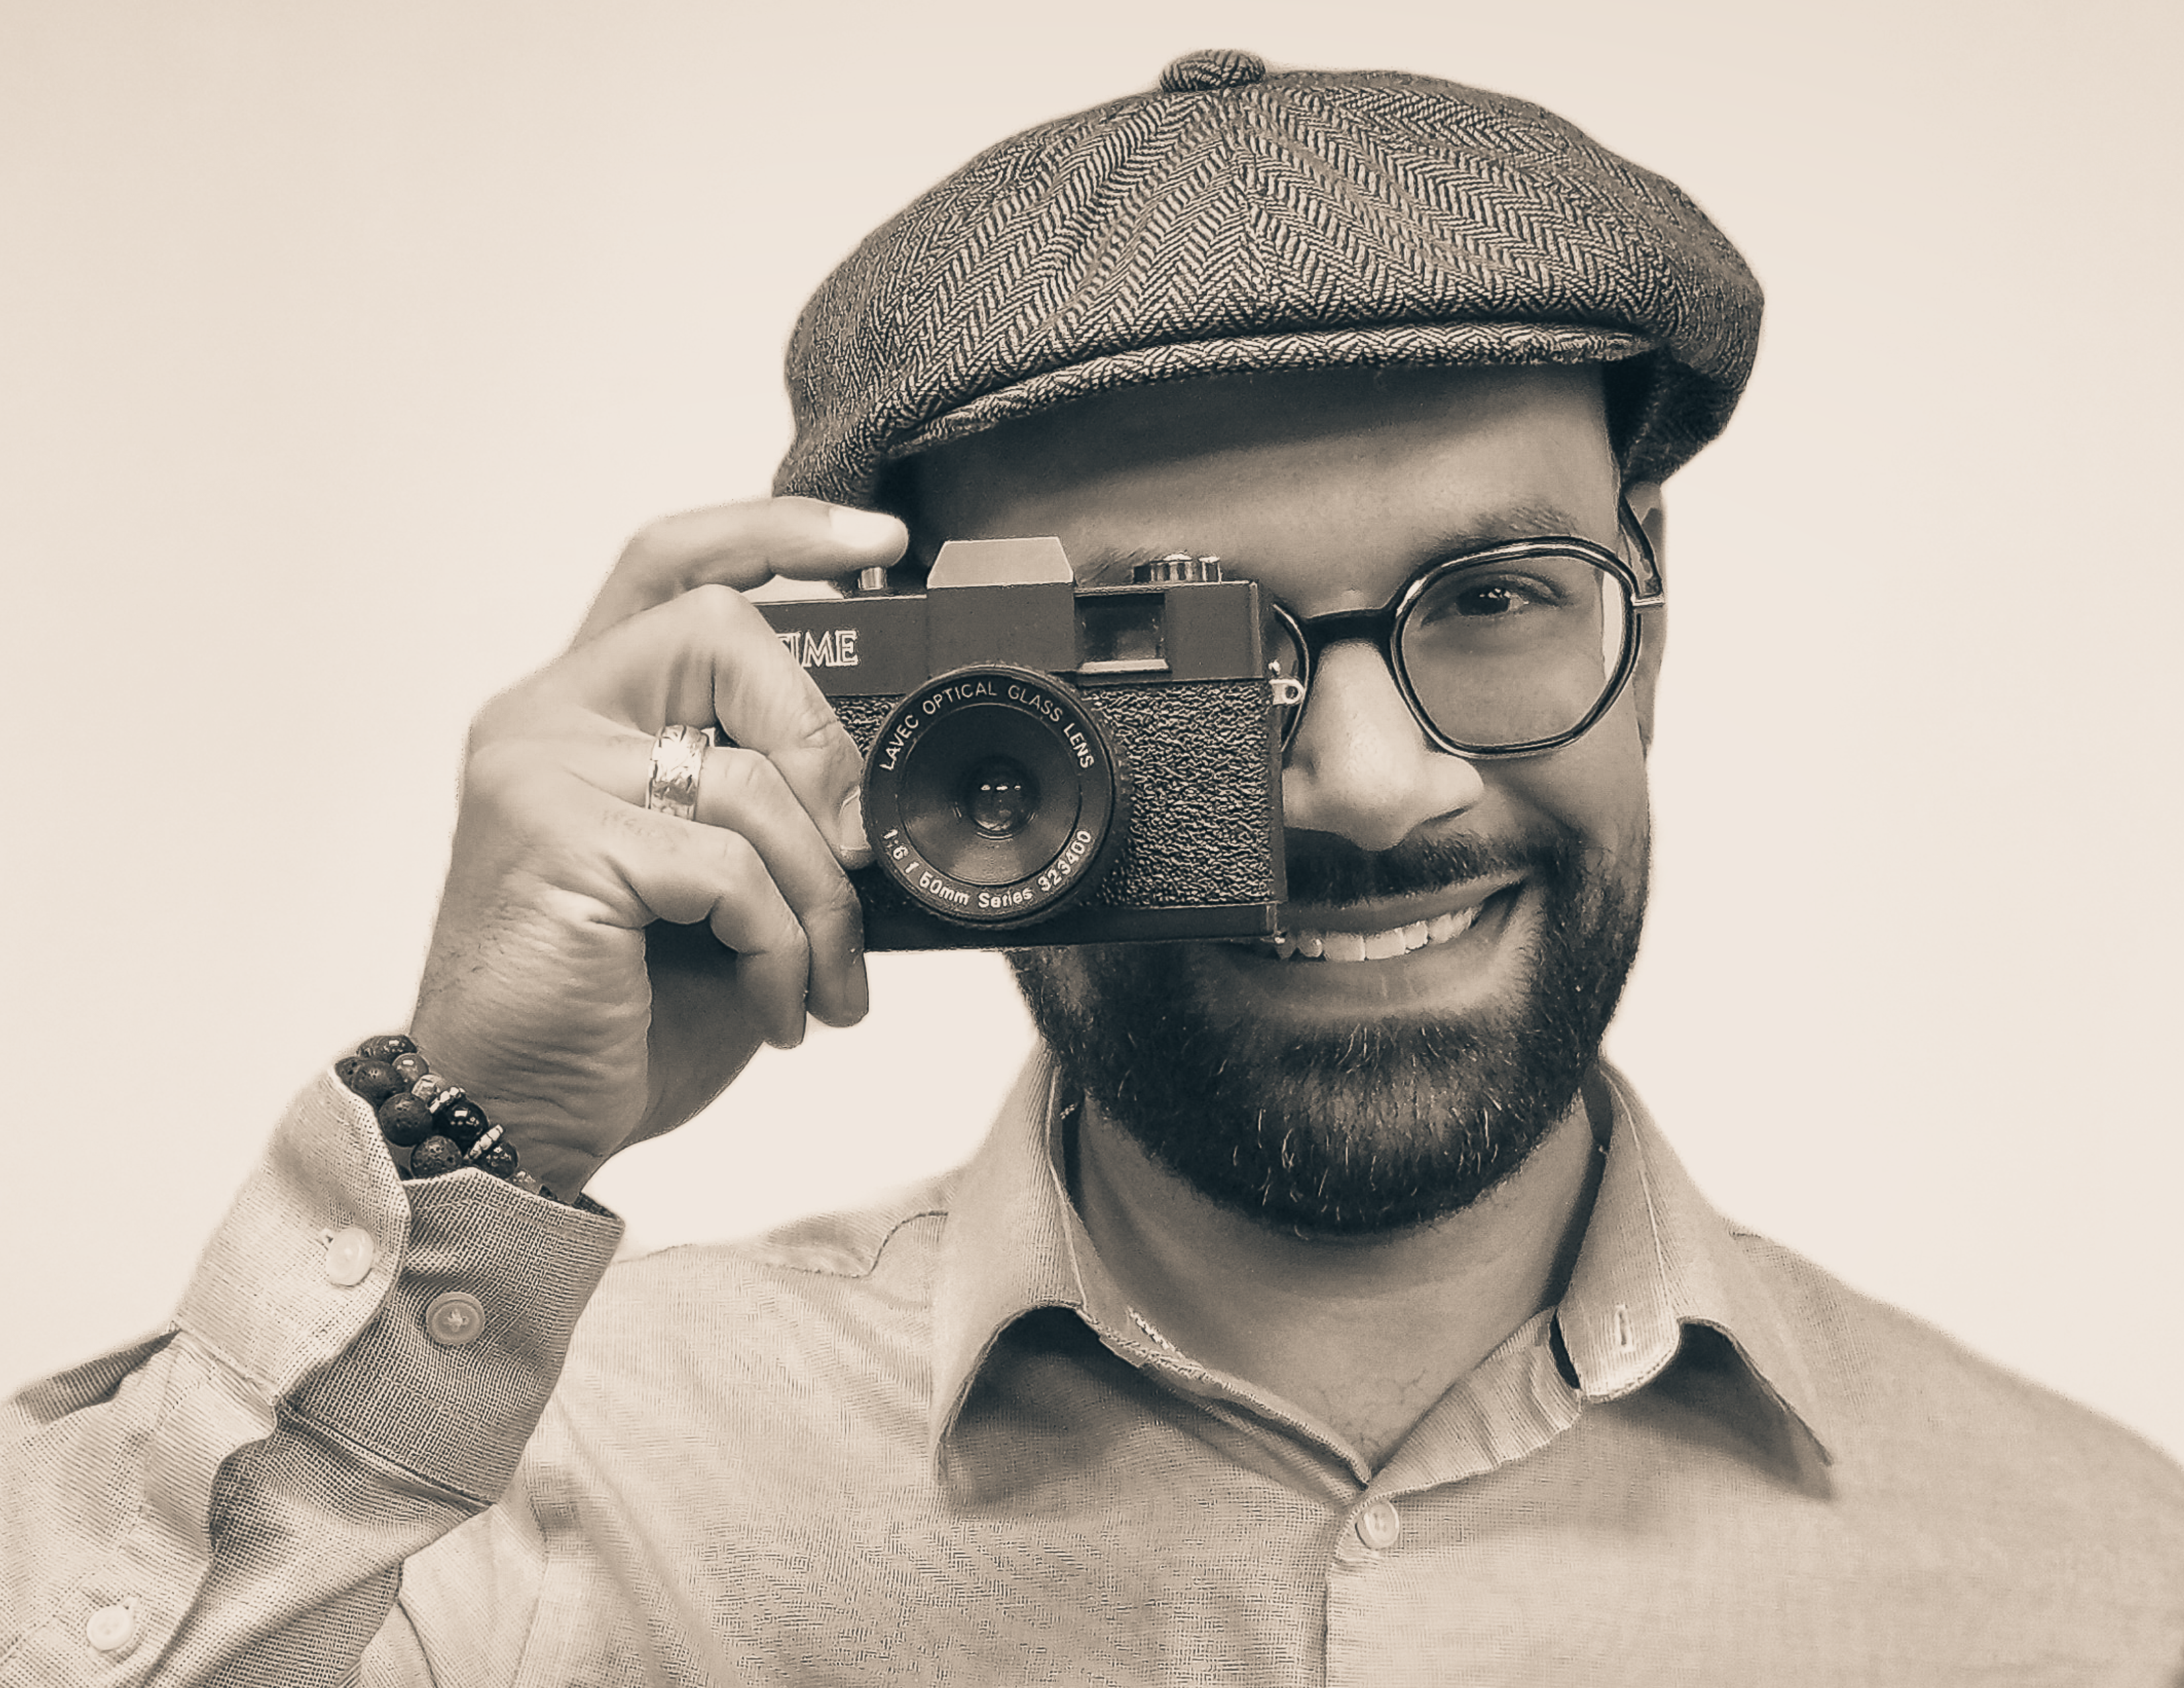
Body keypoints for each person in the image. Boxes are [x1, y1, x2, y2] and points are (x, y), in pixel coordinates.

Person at [7, 48, 2182, 1685]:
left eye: (1497, 593)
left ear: (1649, 599)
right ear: (912, 695)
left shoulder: (2104, 1583)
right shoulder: (522, 1498)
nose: (1363, 780)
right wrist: (472, 1142)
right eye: (1164, 649)